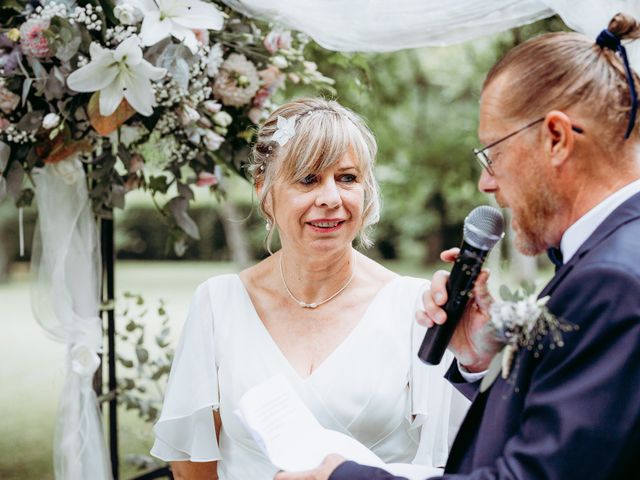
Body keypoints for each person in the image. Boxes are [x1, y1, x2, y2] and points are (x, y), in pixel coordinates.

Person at [275, 12, 640, 480]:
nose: (486, 182)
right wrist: (486, 358)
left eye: (493, 152)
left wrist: (339, 478)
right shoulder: (609, 253)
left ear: (555, 138)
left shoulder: (614, 278)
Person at [150, 97, 469, 479]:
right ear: (264, 188)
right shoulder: (218, 304)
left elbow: (447, 462)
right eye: (308, 179)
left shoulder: (416, 308)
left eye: (347, 178)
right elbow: (192, 467)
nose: (331, 199)